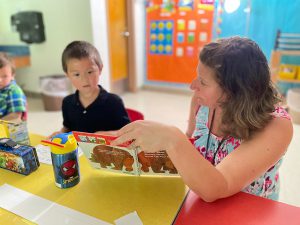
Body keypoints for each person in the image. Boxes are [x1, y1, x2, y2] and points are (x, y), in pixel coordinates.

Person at [111, 37, 293, 202]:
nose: (193, 86)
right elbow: (191, 145)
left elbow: (219, 186)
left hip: (252, 210)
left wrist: (172, 138)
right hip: (204, 201)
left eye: (203, 82)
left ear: (234, 92)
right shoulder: (202, 102)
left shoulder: (277, 125)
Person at [49, 41, 130, 138]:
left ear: (100, 69)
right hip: (78, 152)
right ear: (68, 75)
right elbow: (68, 128)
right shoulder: (67, 102)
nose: (84, 79)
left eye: (90, 72)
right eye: (76, 74)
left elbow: (127, 133)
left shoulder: (114, 102)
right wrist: (60, 133)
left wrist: (106, 135)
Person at [0, 52, 27, 121]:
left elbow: (15, 115)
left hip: (9, 128)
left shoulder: (14, 91)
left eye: (4, 76)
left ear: (12, 76)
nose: (0, 80)